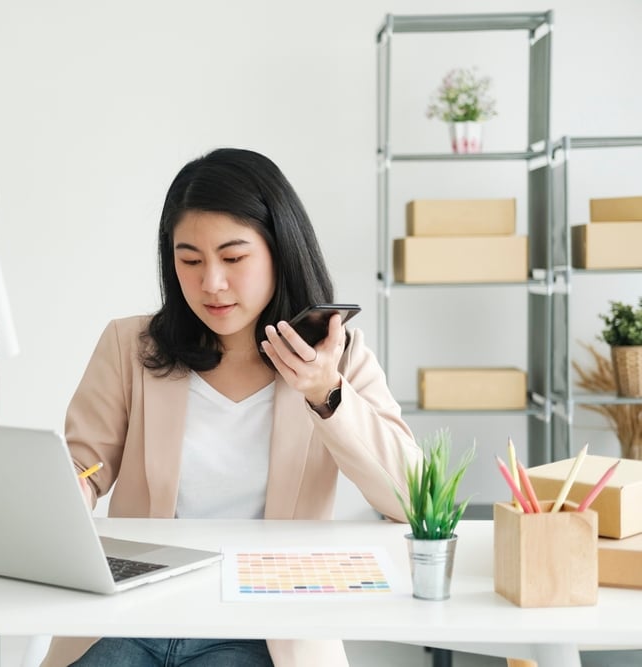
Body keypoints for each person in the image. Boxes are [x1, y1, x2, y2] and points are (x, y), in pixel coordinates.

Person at [41, 148, 422, 667]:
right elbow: (82, 467)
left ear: (279, 251)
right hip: (135, 615)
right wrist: (67, 492)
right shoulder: (130, 346)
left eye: (234, 258)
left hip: (263, 628)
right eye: (190, 260)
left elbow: (412, 499)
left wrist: (325, 394)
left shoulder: (339, 357)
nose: (210, 283)